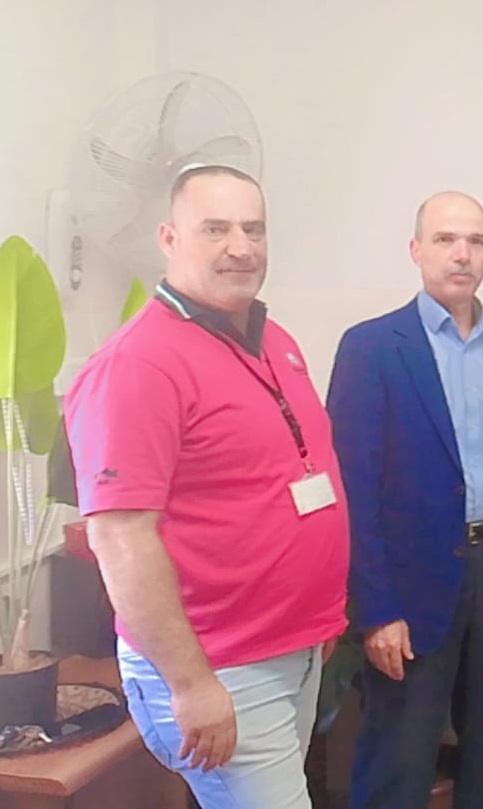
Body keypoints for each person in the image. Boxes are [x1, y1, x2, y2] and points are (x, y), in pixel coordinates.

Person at [64, 164, 349, 808]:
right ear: (169, 238)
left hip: (291, 650)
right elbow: (121, 539)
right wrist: (191, 684)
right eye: (215, 229)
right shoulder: (138, 365)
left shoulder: (273, 340)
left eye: (253, 229)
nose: (240, 247)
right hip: (220, 666)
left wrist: (315, 623)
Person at [327, 191, 483, 809]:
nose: (462, 254)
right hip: (409, 589)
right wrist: (375, 609)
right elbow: (354, 491)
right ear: (416, 250)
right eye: (445, 240)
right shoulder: (372, 348)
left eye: (475, 241)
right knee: (399, 758)